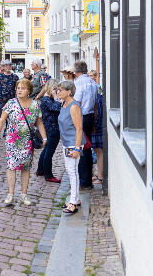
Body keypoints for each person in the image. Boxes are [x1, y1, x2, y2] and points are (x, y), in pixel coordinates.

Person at [0, 79, 48, 206]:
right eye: (18, 88)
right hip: (12, 140)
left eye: (23, 88)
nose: (19, 90)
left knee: (26, 168)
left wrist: (44, 138)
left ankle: (24, 194)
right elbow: (1, 120)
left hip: (27, 141)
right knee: (11, 167)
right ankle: (10, 194)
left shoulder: (35, 105)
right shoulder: (11, 103)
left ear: (29, 91)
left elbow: (39, 122)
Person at [57, 80, 83, 214]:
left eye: (61, 90)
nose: (58, 92)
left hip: (73, 143)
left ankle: (73, 202)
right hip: (66, 142)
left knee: (72, 172)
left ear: (69, 91)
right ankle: (76, 198)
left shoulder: (74, 106)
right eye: (58, 89)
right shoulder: (63, 104)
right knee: (71, 170)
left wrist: (77, 148)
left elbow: (79, 128)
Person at [73, 60, 98, 189]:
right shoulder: (93, 83)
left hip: (80, 117)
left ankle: (83, 181)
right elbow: (95, 105)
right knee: (87, 148)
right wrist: (93, 121)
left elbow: (77, 103)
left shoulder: (78, 83)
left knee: (81, 148)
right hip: (89, 117)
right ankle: (87, 179)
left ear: (76, 71)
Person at [36, 79, 63, 183]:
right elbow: (58, 108)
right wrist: (57, 98)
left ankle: (40, 170)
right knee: (49, 152)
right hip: (52, 128)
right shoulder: (47, 100)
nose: (58, 91)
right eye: (57, 89)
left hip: (50, 127)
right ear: (53, 89)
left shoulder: (47, 99)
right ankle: (48, 175)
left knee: (46, 149)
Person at [0, 60, 19, 133]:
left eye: (8, 65)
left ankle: (7, 131)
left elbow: (17, 89)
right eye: (5, 65)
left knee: (10, 117)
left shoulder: (15, 77)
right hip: (0, 99)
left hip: (11, 100)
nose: (7, 67)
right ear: (3, 66)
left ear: (11, 66)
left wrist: (17, 99)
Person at [88, 70, 105, 184]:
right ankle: (98, 174)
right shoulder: (93, 88)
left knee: (99, 151)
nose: (90, 78)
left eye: (92, 76)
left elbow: (98, 110)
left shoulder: (97, 89)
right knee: (96, 150)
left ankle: (101, 176)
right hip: (95, 125)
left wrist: (95, 125)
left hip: (97, 126)